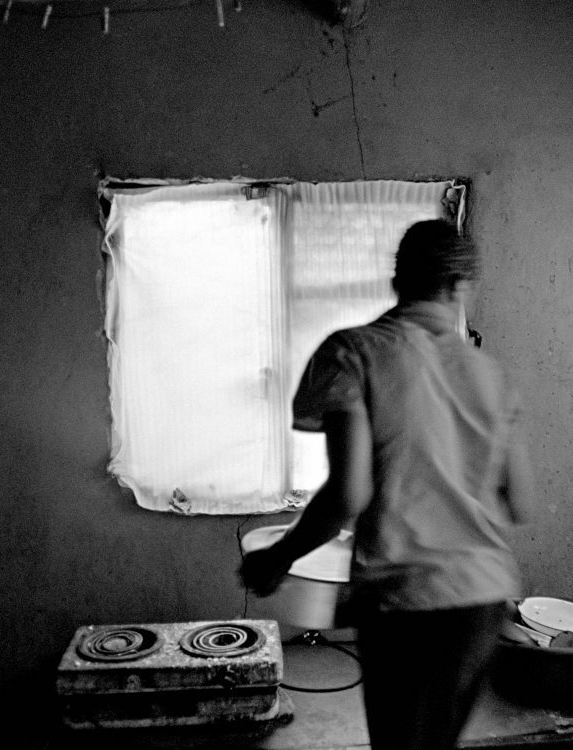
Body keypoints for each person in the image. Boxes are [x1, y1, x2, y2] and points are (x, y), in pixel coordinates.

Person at [239, 218, 534, 750]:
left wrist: (278, 558)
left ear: (397, 280)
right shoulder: (492, 375)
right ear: (460, 287)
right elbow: (521, 502)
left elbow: (348, 495)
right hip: (483, 600)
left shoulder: (355, 352)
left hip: (406, 603)